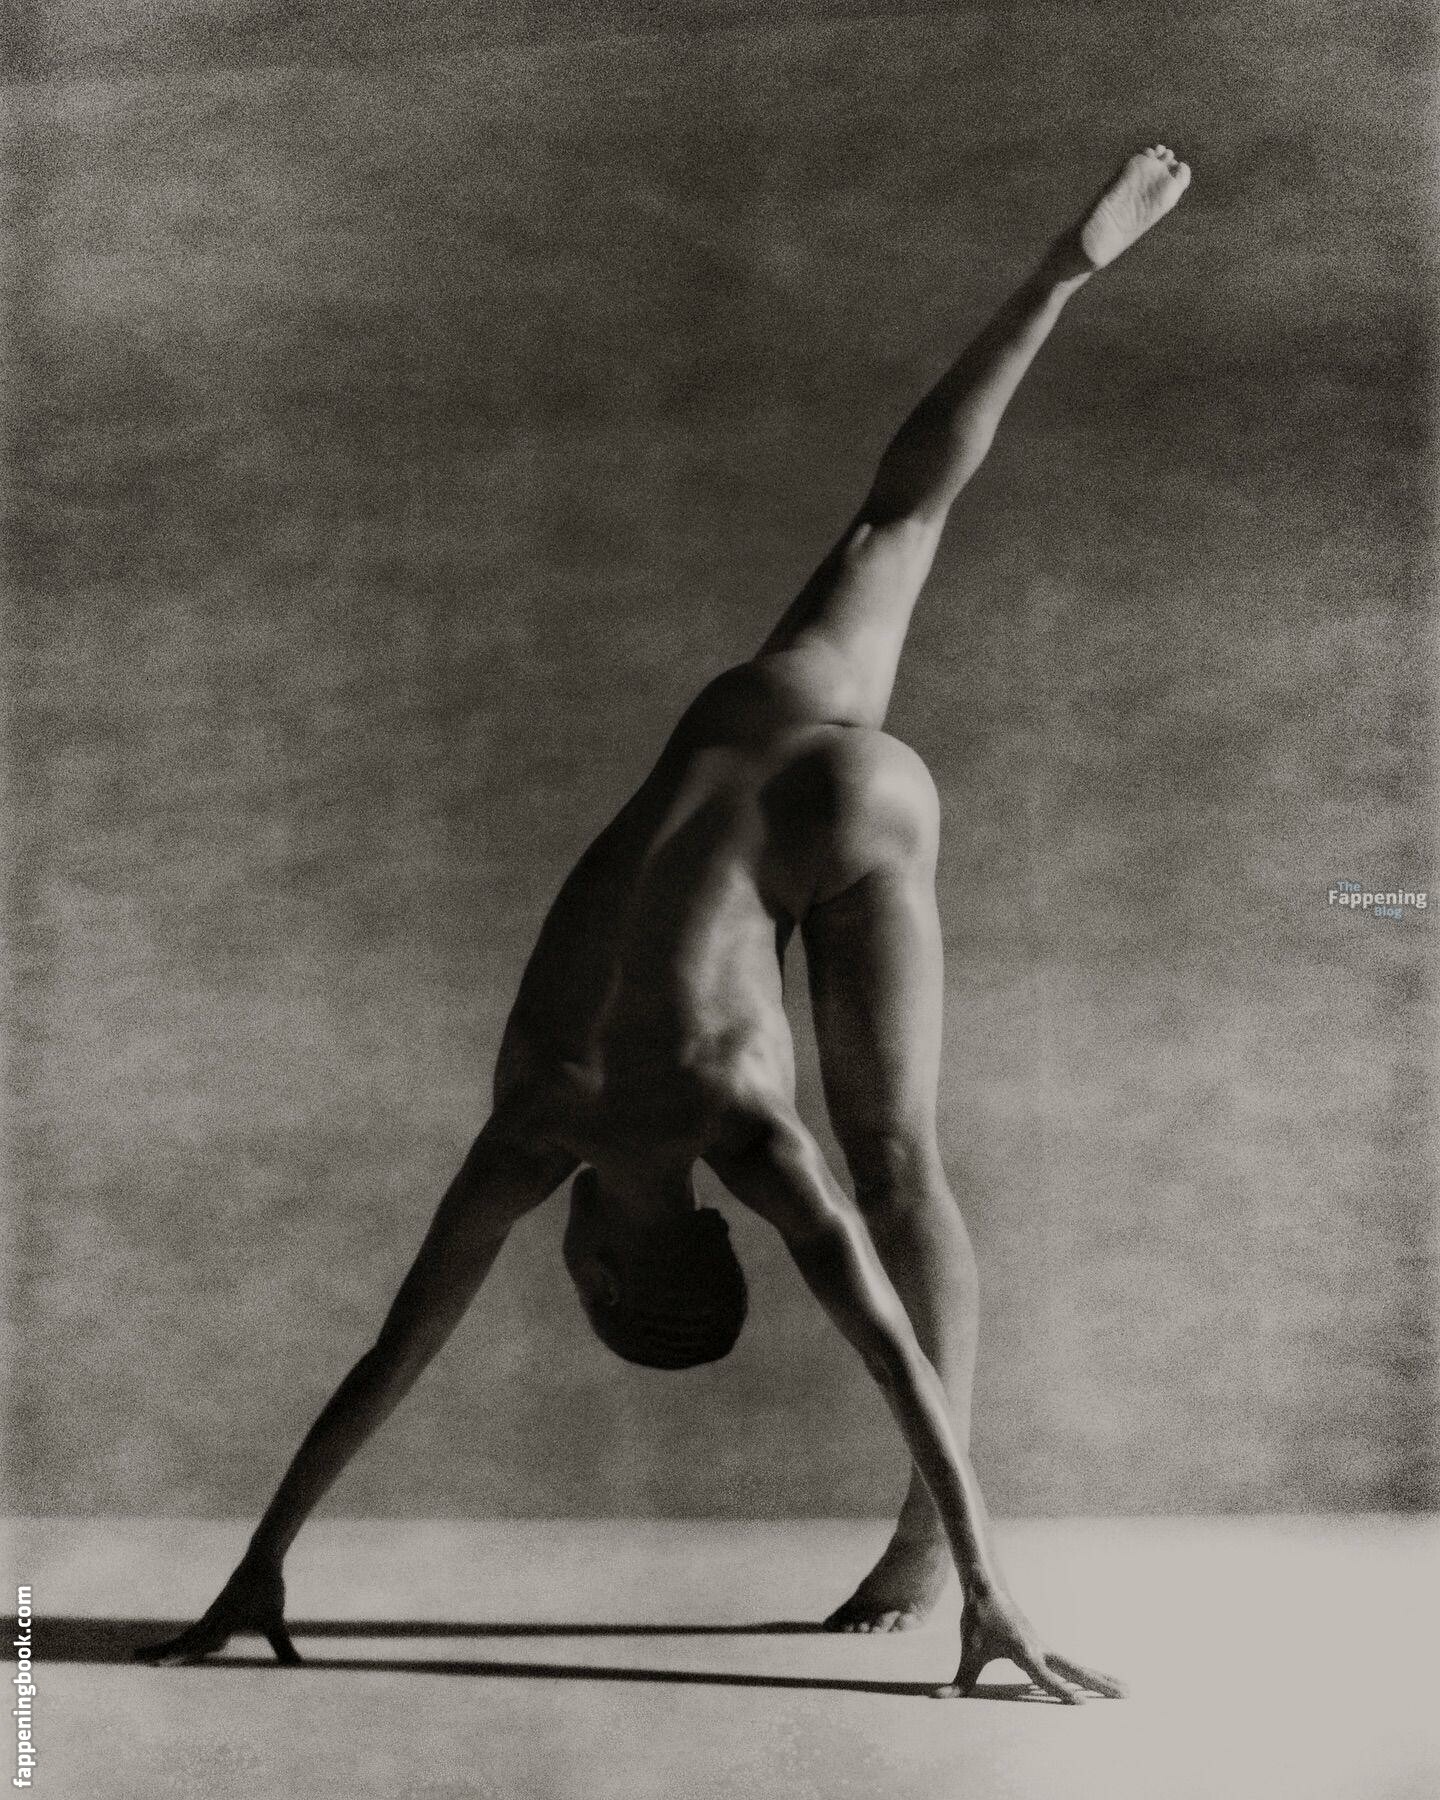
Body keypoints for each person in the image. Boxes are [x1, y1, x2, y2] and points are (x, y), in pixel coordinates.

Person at [137, 144, 1191, 1700]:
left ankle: (933, 1555)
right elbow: (390, 1356)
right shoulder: (531, 1127)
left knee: (895, 1167)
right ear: (617, 1267)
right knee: (894, 524)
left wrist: (261, 1565)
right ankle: (1060, 277)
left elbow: (393, 1364)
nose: (563, 1272)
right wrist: (262, 1557)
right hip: (762, 735)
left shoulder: (734, 1141)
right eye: (588, 1290)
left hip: (851, 791)